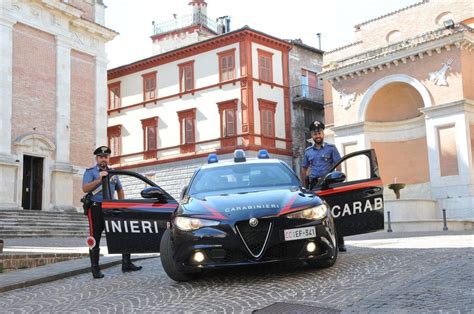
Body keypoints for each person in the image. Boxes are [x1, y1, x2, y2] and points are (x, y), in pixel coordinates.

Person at [82, 146, 142, 279]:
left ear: (108, 158)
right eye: (101, 157)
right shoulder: (90, 172)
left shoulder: (113, 173)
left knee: (123, 232)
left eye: (106, 157)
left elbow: (120, 189)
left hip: (112, 208)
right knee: (95, 237)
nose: (104, 159)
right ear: (97, 159)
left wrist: (122, 204)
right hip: (96, 208)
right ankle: (95, 269)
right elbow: (85, 188)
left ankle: (126, 263)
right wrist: (99, 179)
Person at [300, 121, 347, 252]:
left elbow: (339, 164)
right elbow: (304, 168)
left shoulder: (331, 148)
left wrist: (338, 180)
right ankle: (319, 243)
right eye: (315, 133)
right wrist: (305, 186)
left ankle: (340, 242)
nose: (317, 135)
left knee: (335, 212)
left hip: (329, 184)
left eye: (319, 132)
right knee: (317, 213)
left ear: (323, 134)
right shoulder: (308, 151)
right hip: (315, 185)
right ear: (312, 136)